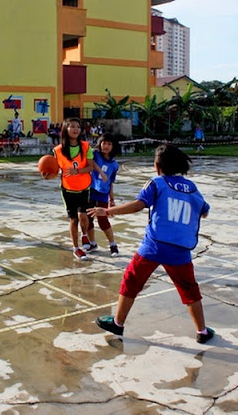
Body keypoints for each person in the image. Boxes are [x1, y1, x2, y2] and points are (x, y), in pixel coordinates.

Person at [87, 144, 214, 343]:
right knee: (190, 290)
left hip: (154, 246)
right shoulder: (192, 188)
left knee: (132, 281)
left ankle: (118, 323)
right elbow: (204, 210)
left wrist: (108, 211)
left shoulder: (156, 183)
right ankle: (202, 331)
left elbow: (138, 205)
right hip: (180, 251)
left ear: (157, 166)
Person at [45, 118, 95, 261]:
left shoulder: (85, 146)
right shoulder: (57, 150)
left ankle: (84, 235)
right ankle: (76, 248)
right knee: (73, 219)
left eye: (78, 127)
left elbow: (91, 167)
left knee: (84, 217)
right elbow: (55, 171)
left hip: (84, 187)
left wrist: (78, 171)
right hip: (68, 190)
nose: (75, 129)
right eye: (72, 126)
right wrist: (48, 176)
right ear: (65, 129)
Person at [84, 133, 120, 257]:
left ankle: (113, 244)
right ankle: (92, 243)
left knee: (103, 220)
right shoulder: (95, 154)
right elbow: (91, 163)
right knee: (88, 219)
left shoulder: (114, 165)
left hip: (103, 194)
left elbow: (110, 182)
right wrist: (99, 171)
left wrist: (112, 199)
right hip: (91, 191)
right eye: (104, 143)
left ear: (113, 146)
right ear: (100, 143)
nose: (106, 146)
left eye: (109, 144)